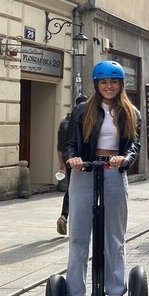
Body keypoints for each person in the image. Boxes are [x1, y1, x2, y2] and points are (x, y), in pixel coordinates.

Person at [63, 61, 141, 296]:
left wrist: (125, 160)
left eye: (114, 82)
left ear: (121, 85)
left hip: (114, 172)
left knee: (114, 238)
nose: (109, 86)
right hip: (84, 171)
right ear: (97, 84)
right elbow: (71, 142)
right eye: (104, 82)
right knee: (78, 237)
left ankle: (116, 291)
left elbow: (133, 146)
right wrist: (72, 159)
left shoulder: (131, 112)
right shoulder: (82, 110)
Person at [56, 94, 88, 235]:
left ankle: (64, 215)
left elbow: (60, 145)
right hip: (82, 159)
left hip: (68, 157)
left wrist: (61, 161)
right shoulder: (86, 118)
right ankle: (74, 219)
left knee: (72, 187)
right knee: (79, 190)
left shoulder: (64, 121)